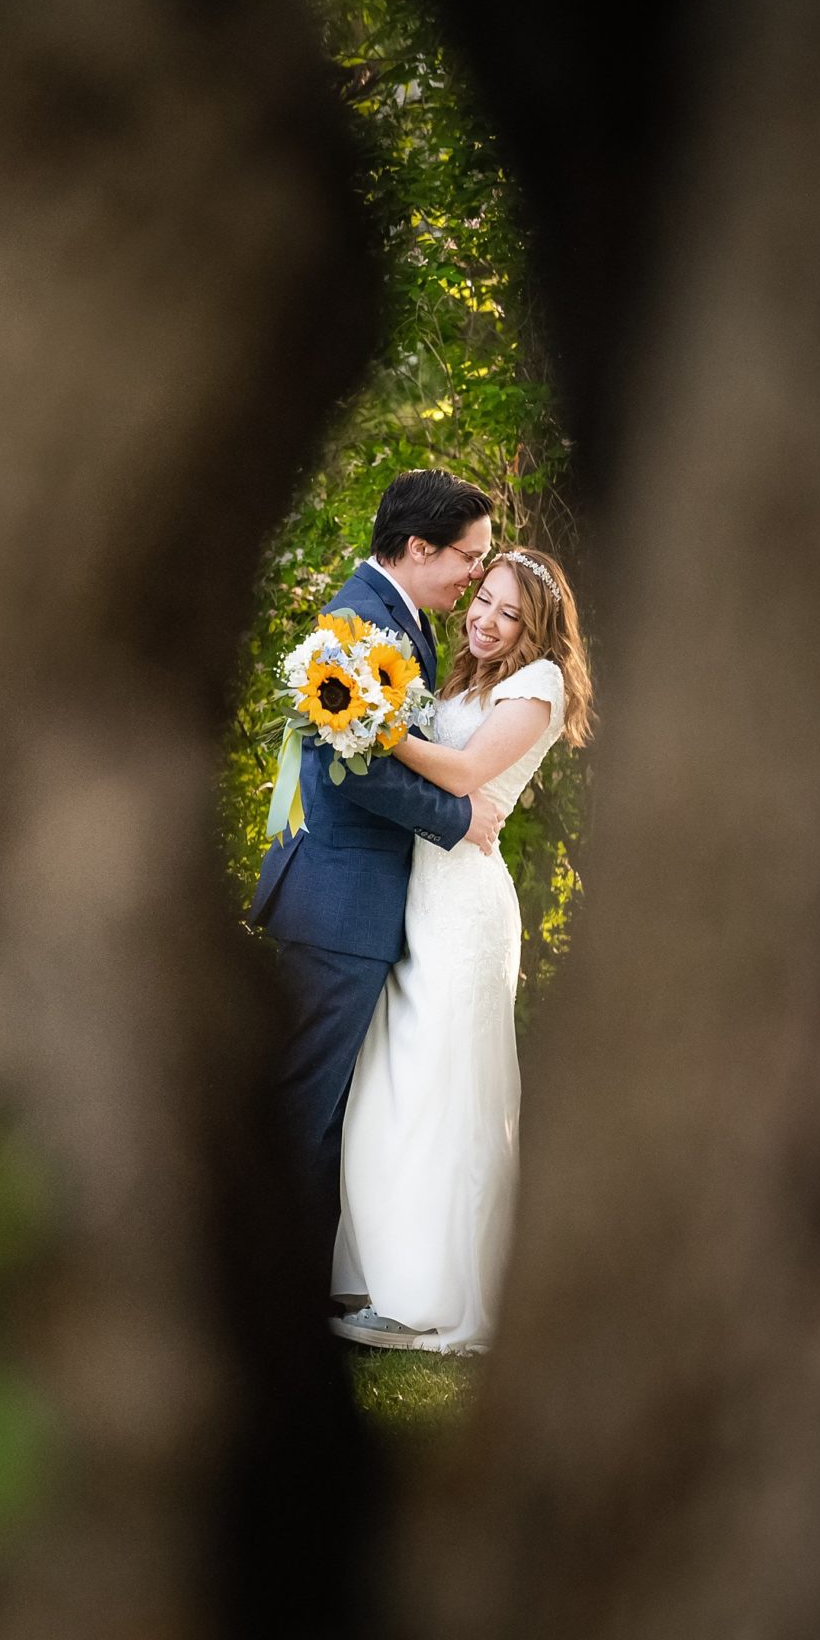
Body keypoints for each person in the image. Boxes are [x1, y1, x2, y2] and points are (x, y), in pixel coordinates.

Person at [329, 543, 594, 1351]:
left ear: (538, 629)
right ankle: (386, 1273)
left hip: (467, 911)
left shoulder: (538, 686)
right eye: (485, 601)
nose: (487, 620)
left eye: (511, 614)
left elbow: (466, 771)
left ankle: (433, 1298)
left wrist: (367, 724)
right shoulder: (463, 675)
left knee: (449, 1089)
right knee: (396, 1081)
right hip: (420, 895)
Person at [248, 470, 506, 1286]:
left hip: (349, 900)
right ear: (420, 547)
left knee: (329, 1110)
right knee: (306, 1103)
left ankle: (296, 1286)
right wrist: (462, 820)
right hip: (338, 902)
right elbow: (357, 771)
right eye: (470, 557)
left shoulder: (398, 620)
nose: (475, 576)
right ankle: (262, 1287)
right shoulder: (361, 623)